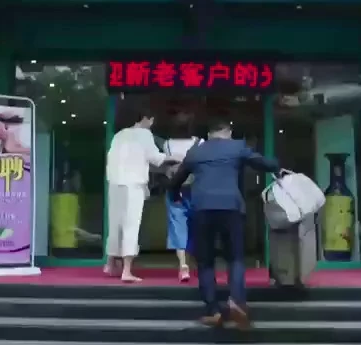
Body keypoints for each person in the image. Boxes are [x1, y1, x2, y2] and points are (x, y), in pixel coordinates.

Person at [169, 118, 280, 329]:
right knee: (235, 258)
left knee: (205, 261)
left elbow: (176, 180)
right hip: (231, 208)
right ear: (228, 132)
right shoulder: (237, 147)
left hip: (202, 209)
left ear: (209, 134)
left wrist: (176, 196)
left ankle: (213, 311)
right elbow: (264, 163)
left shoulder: (196, 152)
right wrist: (276, 164)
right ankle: (236, 301)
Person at [105, 109, 180, 283]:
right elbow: (154, 158)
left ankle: (110, 264)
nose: (152, 124)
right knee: (131, 225)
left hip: (115, 183)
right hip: (133, 184)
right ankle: (126, 271)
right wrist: (174, 157)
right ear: (146, 119)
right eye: (151, 120)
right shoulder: (145, 134)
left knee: (115, 224)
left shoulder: (119, 135)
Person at [163, 113, 202, 282]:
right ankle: (197, 262)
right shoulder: (199, 143)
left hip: (175, 188)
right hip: (196, 189)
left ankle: (183, 265)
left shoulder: (167, 144)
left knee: (177, 224)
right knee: (197, 225)